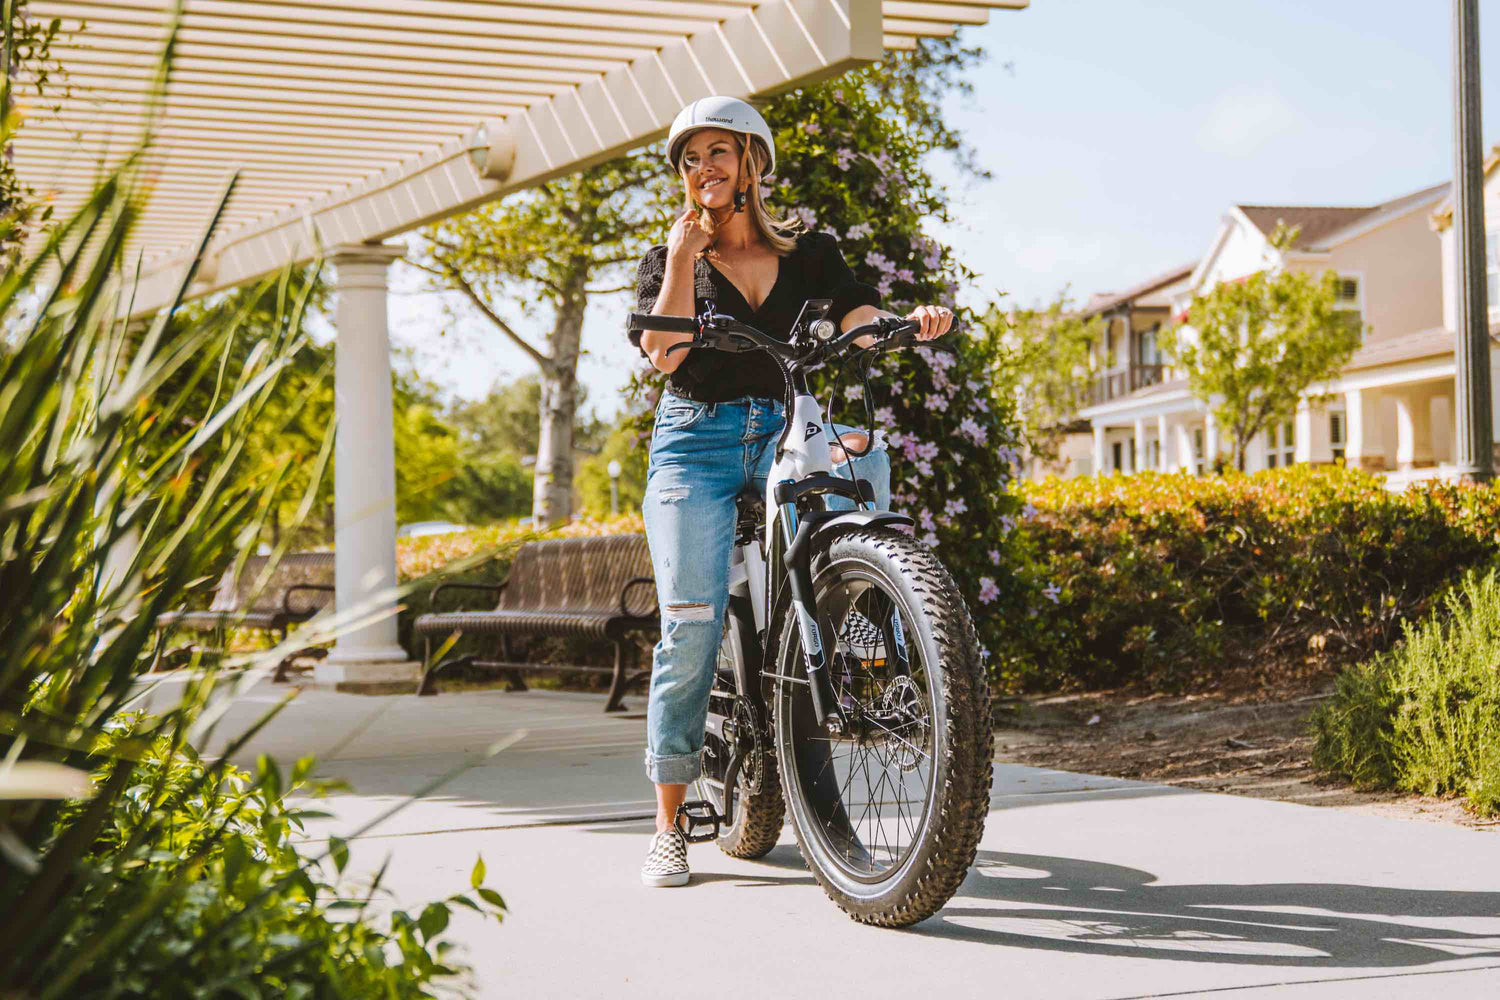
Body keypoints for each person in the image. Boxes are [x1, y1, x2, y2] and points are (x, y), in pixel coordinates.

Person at [630, 96, 953, 887]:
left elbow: (859, 320)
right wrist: (680, 256)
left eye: (717, 153)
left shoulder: (809, 252)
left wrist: (910, 322)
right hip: (693, 444)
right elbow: (664, 353)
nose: (702, 169)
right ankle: (668, 823)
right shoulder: (669, 258)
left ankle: (865, 617)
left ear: (751, 162)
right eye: (690, 158)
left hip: (783, 421)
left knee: (860, 455)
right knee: (692, 628)